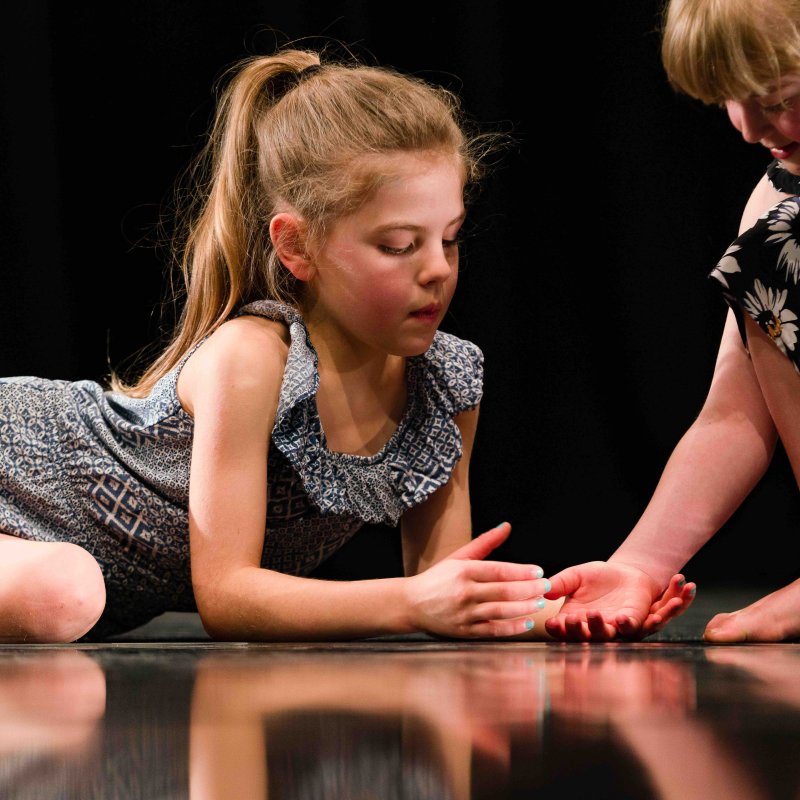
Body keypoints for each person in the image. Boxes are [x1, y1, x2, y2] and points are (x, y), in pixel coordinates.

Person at [0, 47, 693, 644]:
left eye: (450, 239)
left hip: (66, 565)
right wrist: (413, 603)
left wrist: (550, 613)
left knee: (67, 594)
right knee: (65, 592)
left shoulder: (444, 383)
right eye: (399, 246)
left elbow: (442, 588)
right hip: (18, 474)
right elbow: (229, 596)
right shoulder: (253, 359)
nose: (437, 270)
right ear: (296, 246)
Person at [544, 0, 800, 642]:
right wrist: (639, 564)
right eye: (729, 102)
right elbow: (736, 412)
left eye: (776, 96)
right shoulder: (779, 202)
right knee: (776, 242)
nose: (747, 128)